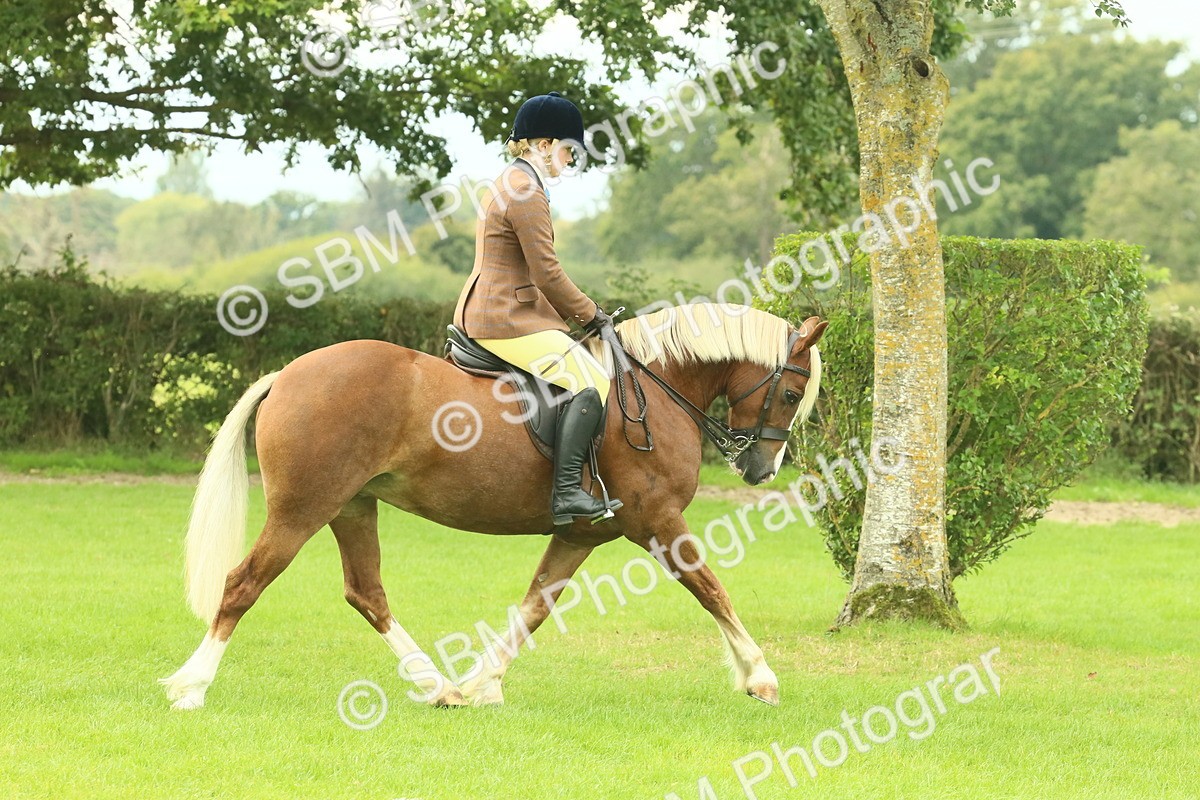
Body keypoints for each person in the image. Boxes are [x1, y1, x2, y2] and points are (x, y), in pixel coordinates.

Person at [452, 91, 621, 525]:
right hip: (503, 317)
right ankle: (567, 493)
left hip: (499, 308)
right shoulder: (527, 191)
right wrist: (592, 315)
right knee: (592, 382)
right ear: (543, 145)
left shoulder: (509, 180)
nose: (569, 161)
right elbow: (547, 273)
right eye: (567, 150)